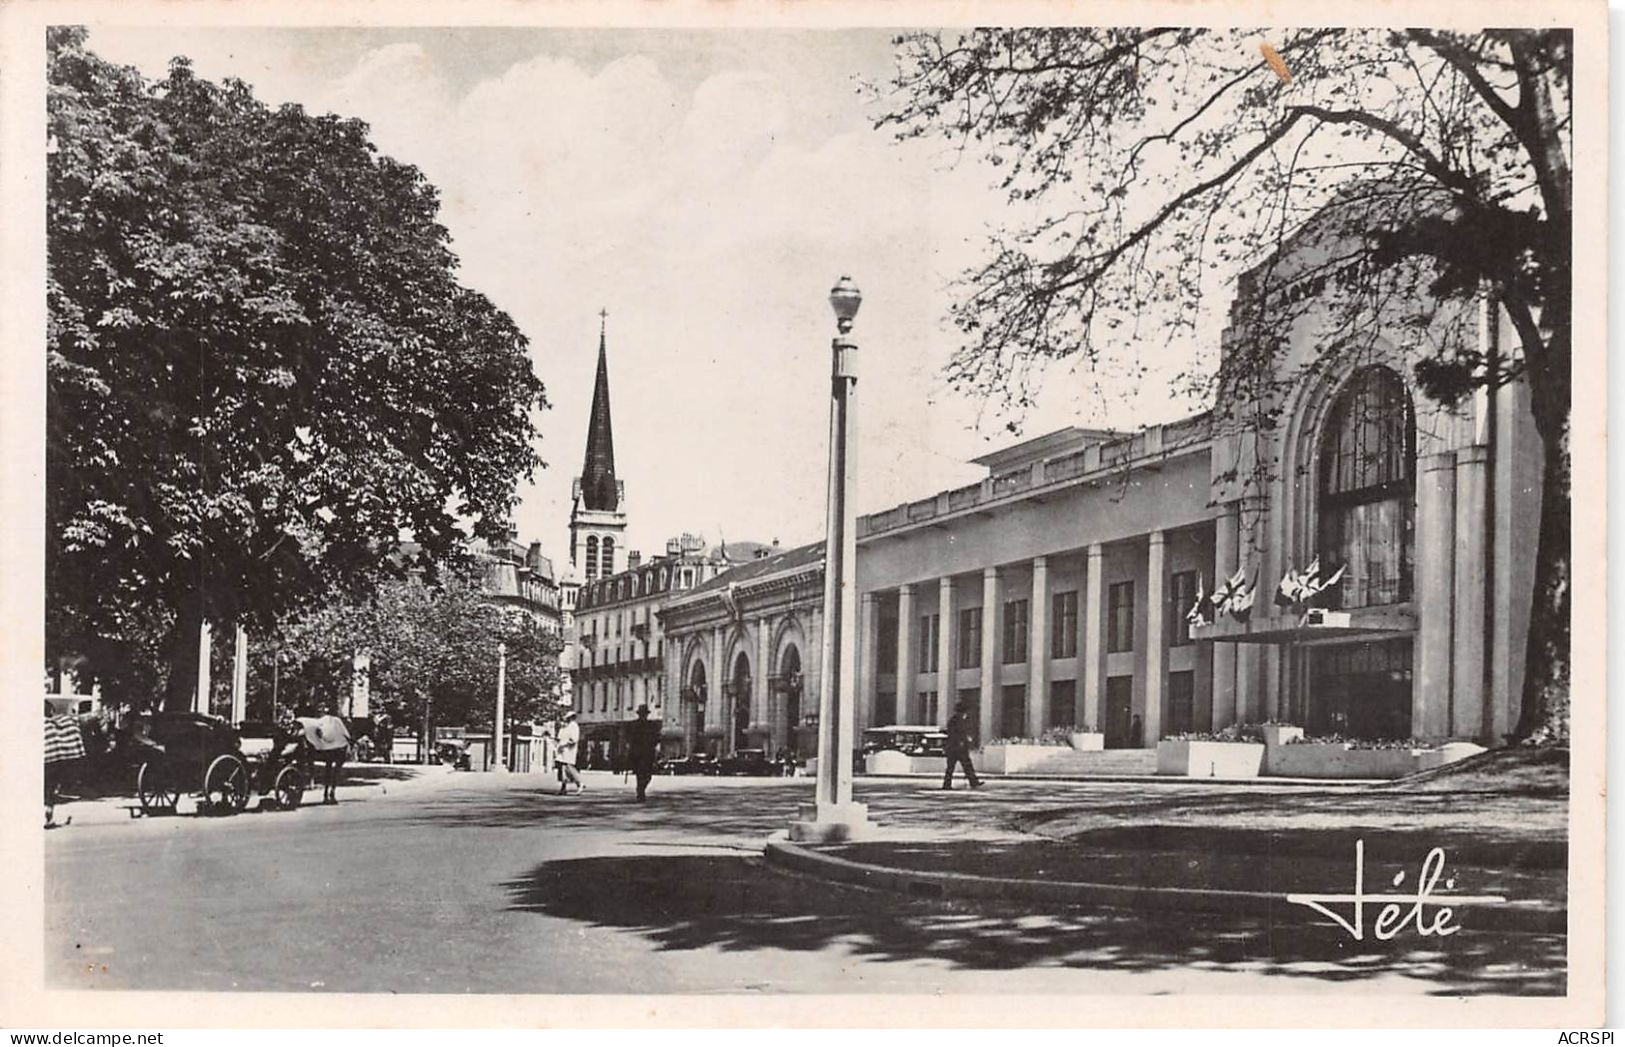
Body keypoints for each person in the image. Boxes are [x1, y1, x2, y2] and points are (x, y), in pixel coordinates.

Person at [942, 699, 983, 790]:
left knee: (951, 767)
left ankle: (947, 784)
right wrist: (967, 739)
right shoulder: (960, 720)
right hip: (959, 747)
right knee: (967, 765)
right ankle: (973, 782)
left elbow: (951, 733)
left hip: (952, 747)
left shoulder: (953, 720)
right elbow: (960, 733)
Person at [627, 705, 661, 802]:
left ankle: (640, 789)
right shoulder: (635, 725)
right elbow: (630, 739)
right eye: (642, 714)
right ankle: (640, 792)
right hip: (639, 754)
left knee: (647, 775)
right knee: (641, 774)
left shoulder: (651, 725)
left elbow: (656, 738)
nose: (643, 716)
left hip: (647, 754)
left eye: (644, 714)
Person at [556, 712, 583, 795]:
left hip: (569, 750)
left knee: (569, 768)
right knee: (562, 769)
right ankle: (563, 788)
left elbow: (574, 739)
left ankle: (579, 783)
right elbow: (559, 738)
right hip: (562, 750)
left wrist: (565, 744)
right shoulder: (565, 726)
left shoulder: (574, 726)